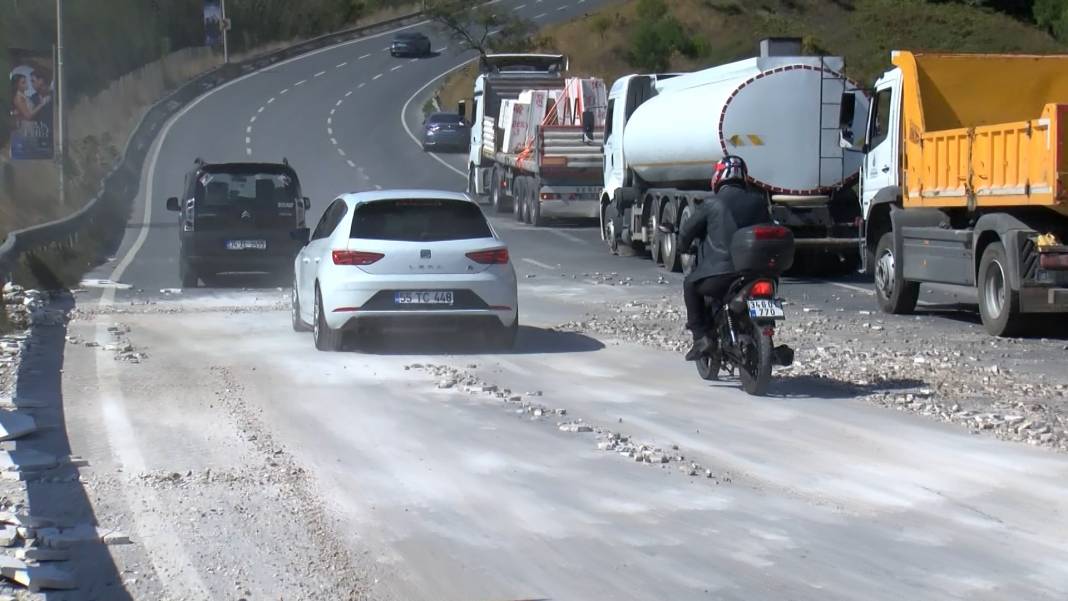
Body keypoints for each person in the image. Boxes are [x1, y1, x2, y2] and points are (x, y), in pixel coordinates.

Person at [678, 155, 771, 361]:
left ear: (719, 176)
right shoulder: (759, 201)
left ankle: (701, 337)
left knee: (690, 285)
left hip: (721, 274)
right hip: (758, 272)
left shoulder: (711, 204)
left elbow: (687, 231)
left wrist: (682, 247)